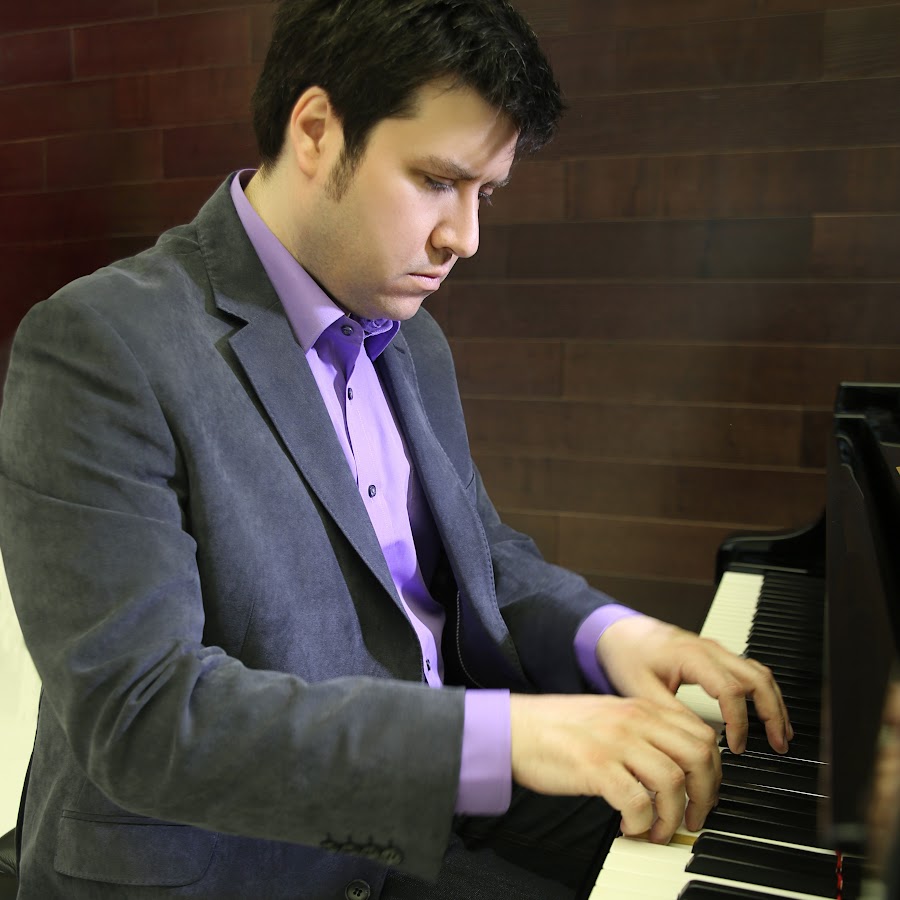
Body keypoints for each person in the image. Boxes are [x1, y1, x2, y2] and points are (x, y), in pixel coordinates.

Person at [0, 1, 792, 897]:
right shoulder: (100, 344)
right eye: (437, 180)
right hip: (240, 859)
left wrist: (616, 635)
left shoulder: (406, 332)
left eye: (485, 193)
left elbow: (477, 557)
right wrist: (505, 738)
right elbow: (142, 717)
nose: (465, 238)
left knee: (731, 822)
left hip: (430, 809)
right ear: (315, 130)